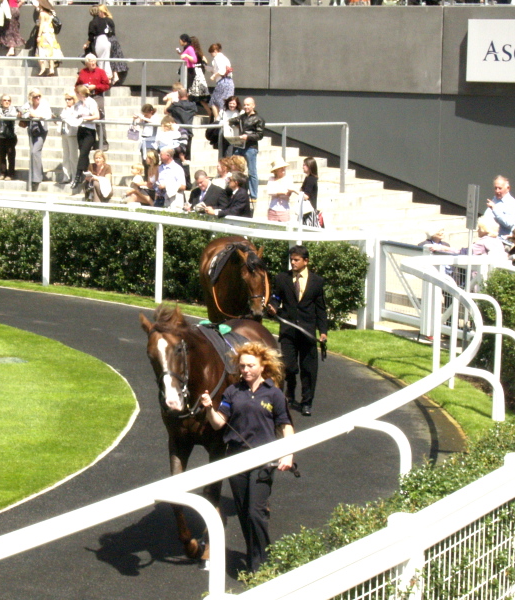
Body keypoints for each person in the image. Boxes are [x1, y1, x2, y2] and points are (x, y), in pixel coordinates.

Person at [198, 342, 294, 573]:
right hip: (236, 458)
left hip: (264, 459)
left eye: (251, 365)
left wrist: (288, 453)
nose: (246, 370)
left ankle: (262, 563)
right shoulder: (232, 392)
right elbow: (219, 423)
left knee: (255, 512)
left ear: (262, 366)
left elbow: (286, 426)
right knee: (244, 513)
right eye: (242, 366)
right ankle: (256, 560)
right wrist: (209, 408)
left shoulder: (274, 393)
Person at [267, 245, 328, 417]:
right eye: (291, 260)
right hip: (288, 331)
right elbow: (276, 297)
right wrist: (273, 306)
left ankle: (307, 402)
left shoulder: (317, 282)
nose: (293, 263)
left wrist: (323, 332)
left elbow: (321, 309)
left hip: (307, 332)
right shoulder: (282, 278)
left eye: (296, 260)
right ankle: (290, 395)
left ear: (305, 261)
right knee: (290, 367)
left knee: (308, 369)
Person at [229, 97, 264, 202]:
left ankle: (253, 195)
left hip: (250, 148)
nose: (246, 107)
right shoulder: (241, 117)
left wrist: (247, 137)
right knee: (235, 169)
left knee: (252, 172)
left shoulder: (258, 119)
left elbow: (260, 135)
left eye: (248, 105)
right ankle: (236, 192)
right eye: (244, 105)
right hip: (240, 146)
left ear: (253, 105)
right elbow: (230, 121)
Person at [75, 55, 109, 151]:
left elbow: (106, 85)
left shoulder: (101, 72)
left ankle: (103, 143)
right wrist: (81, 89)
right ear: (87, 63)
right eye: (91, 61)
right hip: (85, 97)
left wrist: (95, 87)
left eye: (94, 61)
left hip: (97, 96)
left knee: (99, 120)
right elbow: (77, 85)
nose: (93, 63)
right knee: (85, 119)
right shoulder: (82, 72)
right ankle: (90, 142)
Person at [19, 87, 51, 191]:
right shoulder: (27, 105)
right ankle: (39, 173)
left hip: (41, 129)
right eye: (35, 97)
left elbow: (47, 115)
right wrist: (28, 114)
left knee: (34, 151)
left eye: (39, 96)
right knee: (34, 153)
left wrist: (35, 115)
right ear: (31, 98)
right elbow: (23, 112)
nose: (37, 98)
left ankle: (36, 179)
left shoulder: (44, 103)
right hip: (32, 129)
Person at [70, 84, 99, 191]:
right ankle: (86, 176)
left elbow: (96, 116)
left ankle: (77, 176)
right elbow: (74, 114)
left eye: (77, 93)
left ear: (81, 93)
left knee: (83, 153)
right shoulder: (78, 103)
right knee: (83, 154)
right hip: (81, 129)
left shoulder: (91, 102)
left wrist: (85, 118)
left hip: (89, 130)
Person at [483, 175, 515, 244]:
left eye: (500, 188)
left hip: (504, 242)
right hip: (490, 239)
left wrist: (494, 209)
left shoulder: (511, 203)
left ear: (508, 188)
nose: (497, 191)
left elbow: (509, 223)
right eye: (495, 188)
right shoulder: (495, 199)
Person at [0, 93, 17, 180]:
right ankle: (2, 173)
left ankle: (11, 173)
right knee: (1, 155)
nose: (7, 102)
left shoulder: (12, 109)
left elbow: (13, 115)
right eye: (4, 100)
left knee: (11, 155)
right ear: (1, 102)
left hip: (10, 135)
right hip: (1, 135)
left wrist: (2, 116)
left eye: (8, 100)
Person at [84, 5, 114, 82]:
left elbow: (91, 36)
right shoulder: (104, 20)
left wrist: (86, 43)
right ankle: (108, 76)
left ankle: (102, 78)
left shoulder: (92, 22)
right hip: (106, 40)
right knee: (106, 59)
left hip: (99, 40)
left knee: (100, 60)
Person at [177, 34, 208, 108]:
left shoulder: (190, 49)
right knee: (189, 92)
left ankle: (187, 108)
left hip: (192, 72)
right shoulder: (189, 49)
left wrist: (186, 55)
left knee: (189, 92)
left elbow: (194, 60)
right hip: (190, 71)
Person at [207, 43, 233, 122]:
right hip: (229, 82)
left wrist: (214, 76)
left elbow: (222, 70)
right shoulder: (224, 58)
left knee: (214, 102)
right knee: (226, 103)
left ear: (215, 51)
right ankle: (226, 120)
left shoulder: (217, 58)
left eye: (211, 52)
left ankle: (218, 121)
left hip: (222, 82)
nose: (211, 55)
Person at [266, 156, 297, 222]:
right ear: (276, 170)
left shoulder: (288, 178)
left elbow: (289, 191)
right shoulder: (271, 179)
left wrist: (288, 192)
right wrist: (281, 192)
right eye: (280, 168)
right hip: (272, 209)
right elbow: (270, 191)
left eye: (283, 167)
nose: (283, 169)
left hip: (284, 210)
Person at [36, 0, 61, 77]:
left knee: (41, 50)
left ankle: (43, 69)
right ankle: (51, 69)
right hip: (51, 34)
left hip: (44, 34)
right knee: (51, 51)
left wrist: (39, 35)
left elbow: (42, 25)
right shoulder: (50, 13)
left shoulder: (42, 14)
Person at [58, 91, 79, 185]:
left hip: (72, 133)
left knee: (73, 156)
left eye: (69, 99)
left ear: (74, 99)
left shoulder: (76, 108)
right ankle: (66, 176)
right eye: (66, 99)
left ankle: (75, 176)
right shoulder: (65, 109)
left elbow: (72, 119)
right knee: (65, 155)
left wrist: (65, 116)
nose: (67, 101)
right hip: (64, 132)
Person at [300, 156, 319, 225]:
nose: (303, 167)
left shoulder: (310, 179)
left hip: (309, 212)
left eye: (305, 165)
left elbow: (306, 196)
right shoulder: (309, 178)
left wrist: (294, 190)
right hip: (308, 211)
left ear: (309, 166)